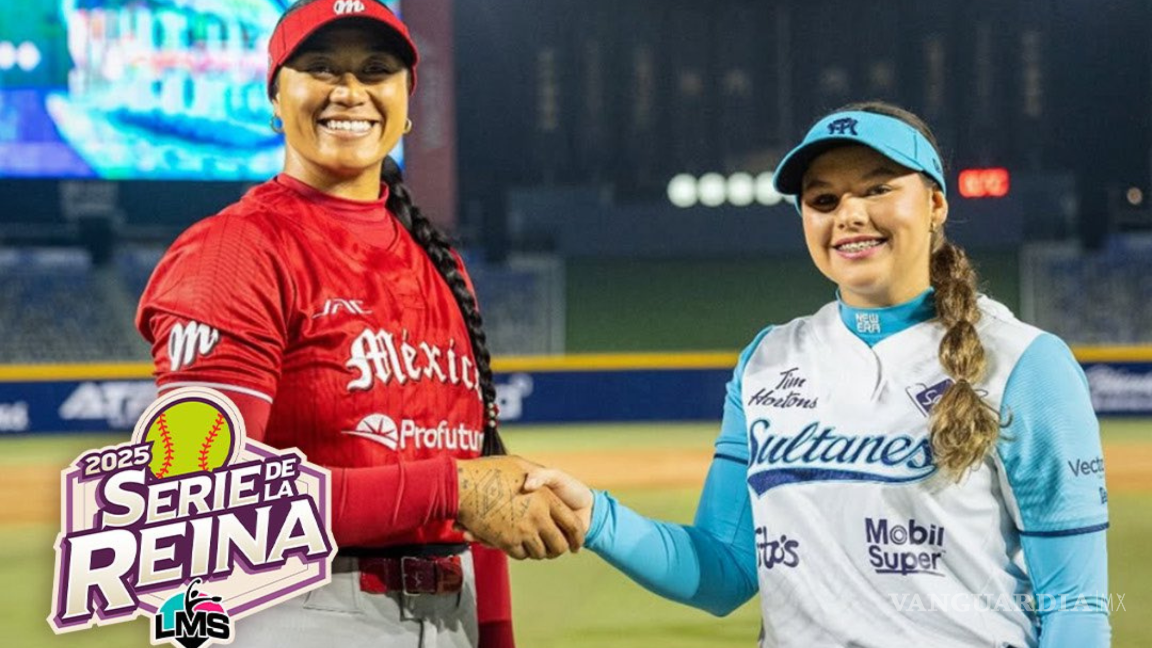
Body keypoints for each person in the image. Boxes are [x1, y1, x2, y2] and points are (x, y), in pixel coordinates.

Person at [526, 102, 1111, 647]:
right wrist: (596, 518)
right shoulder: (768, 360)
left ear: (935, 203)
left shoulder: (1026, 364)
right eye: (823, 200)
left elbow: (1076, 603)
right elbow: (721, 572)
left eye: (878, 188)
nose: (850, 215)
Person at [135, 2, 582, 647]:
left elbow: (481, 480)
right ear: (274, 96)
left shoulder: (437, 258)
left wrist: (495, 632)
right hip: (291, 608)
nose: (350, 92)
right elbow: (205, 497)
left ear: (406, 102)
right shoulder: (237, 250)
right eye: (321, 68)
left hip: (447, 610)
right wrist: (448, 491)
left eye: (377, 70)